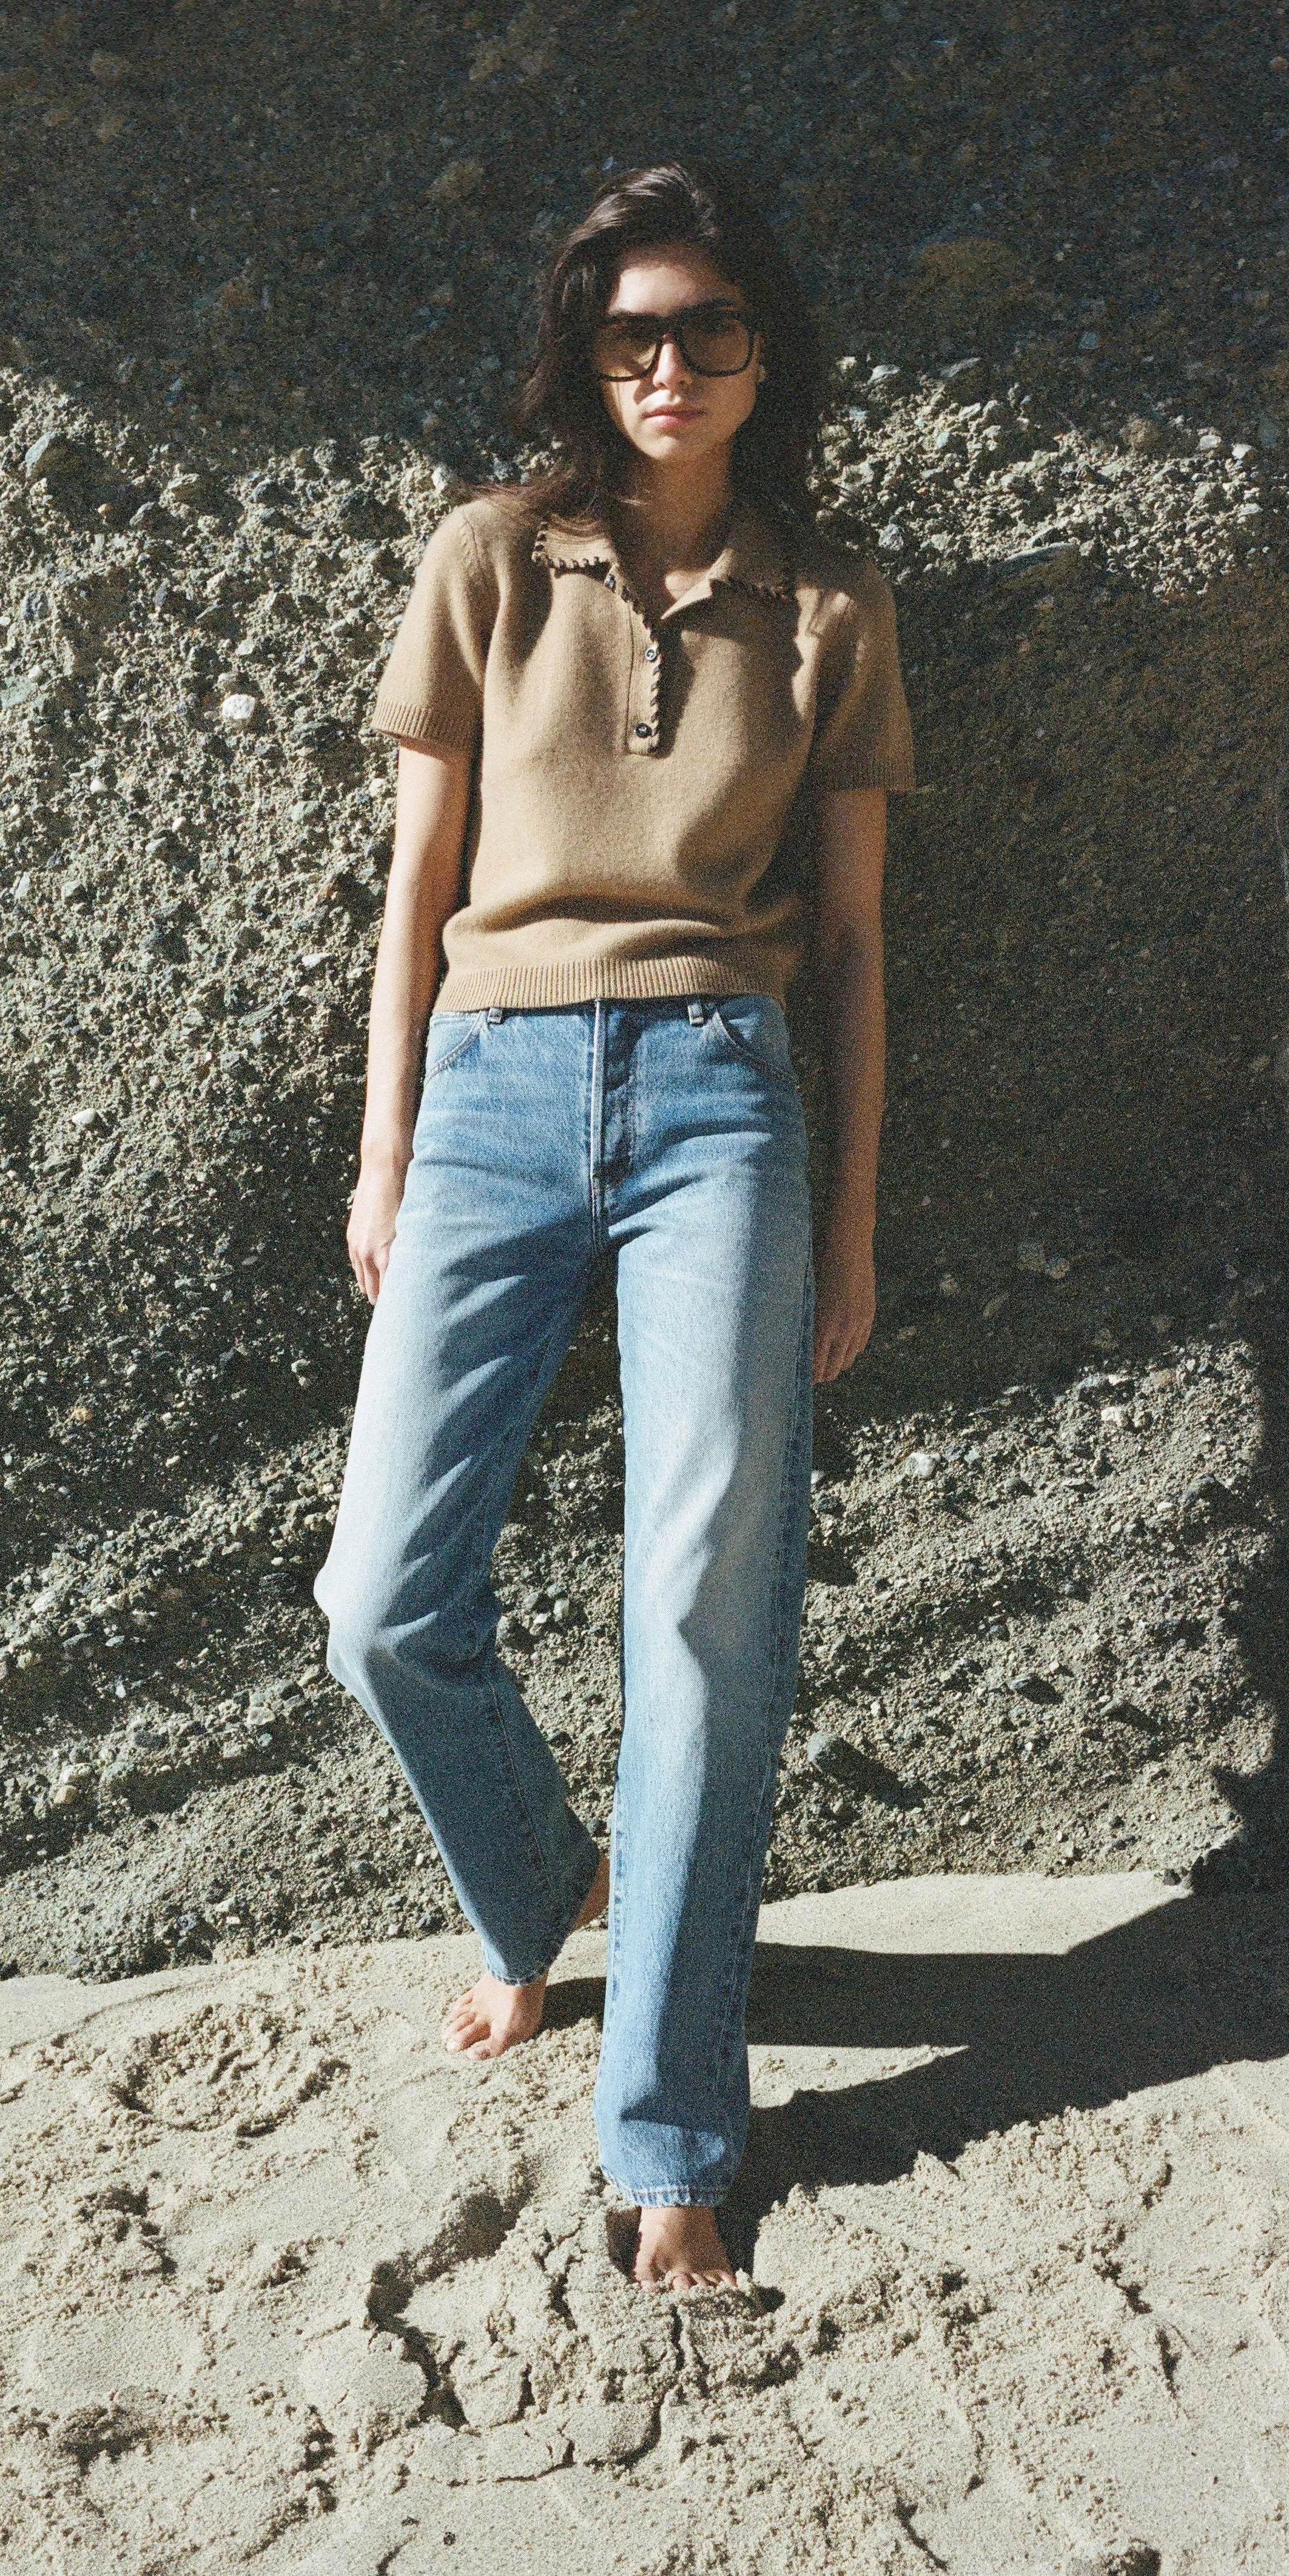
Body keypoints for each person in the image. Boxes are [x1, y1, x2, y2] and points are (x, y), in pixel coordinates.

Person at [313, 159, 912, 2290]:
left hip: (720, 1099)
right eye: (632, 331)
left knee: (702, 1617)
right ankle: (534, 1889)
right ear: (586, 349)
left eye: (711, 332)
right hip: (485, 1084)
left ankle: (669, 2126)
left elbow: (845, 945)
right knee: (381, 1597)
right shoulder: (489, 557)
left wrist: (842, 1224)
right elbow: (414, 885)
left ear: (767, 356)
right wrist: (384, 1151)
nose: (671, 367)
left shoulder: (827, 602)